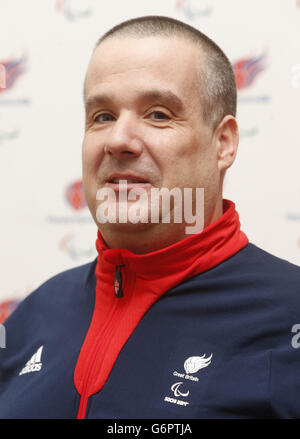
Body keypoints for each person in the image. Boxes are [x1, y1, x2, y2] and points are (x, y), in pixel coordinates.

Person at [0, 15, 300, 420]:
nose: (119, 140)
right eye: (102, 116)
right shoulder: (33, 315)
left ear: (223, 143)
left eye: (158, 114)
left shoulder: (289, 315)